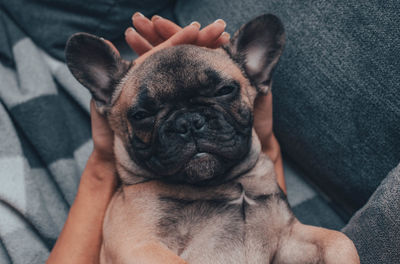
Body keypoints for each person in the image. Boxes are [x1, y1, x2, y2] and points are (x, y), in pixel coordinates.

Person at [46, 14, 286, 263]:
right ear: (105, 97)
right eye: (145, 113)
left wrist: (266, 144)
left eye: (223, 91)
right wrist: (104, 161)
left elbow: (273, 238)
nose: (190, 126)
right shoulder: (137, 220)